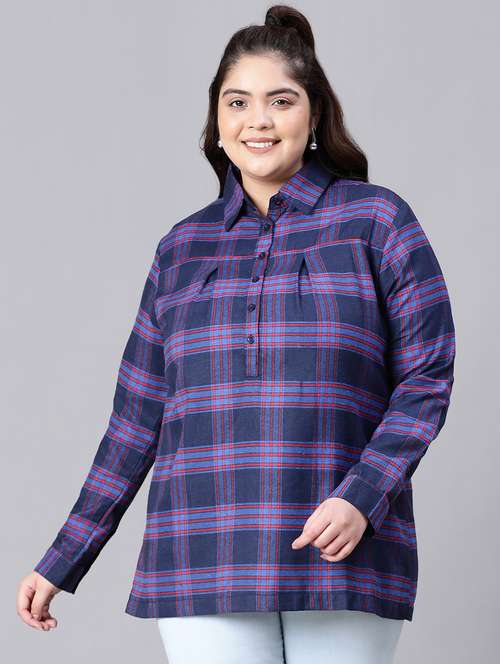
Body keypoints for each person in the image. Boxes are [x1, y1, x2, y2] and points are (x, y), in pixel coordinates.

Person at [17, 4, 456, 663]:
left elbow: (427, 377)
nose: (259, 120)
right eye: (238, 102)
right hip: (201, 551)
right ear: (217, 121)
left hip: (343, 547)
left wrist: (364, 497)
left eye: (281, 101)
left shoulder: (377, 221)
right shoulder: (181, 248)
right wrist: (63, 558)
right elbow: (136, 421)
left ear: (314, 114)